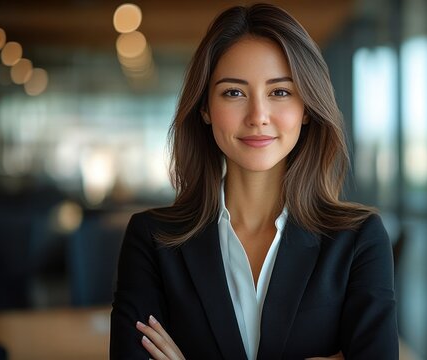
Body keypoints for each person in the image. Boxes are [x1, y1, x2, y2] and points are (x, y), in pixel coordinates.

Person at [110, 3, 398, 359]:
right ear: (204, 108)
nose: (258, 116)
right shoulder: (152, 240)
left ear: (306, 107)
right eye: (234, 92)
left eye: (280, 92)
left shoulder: (358, 240)